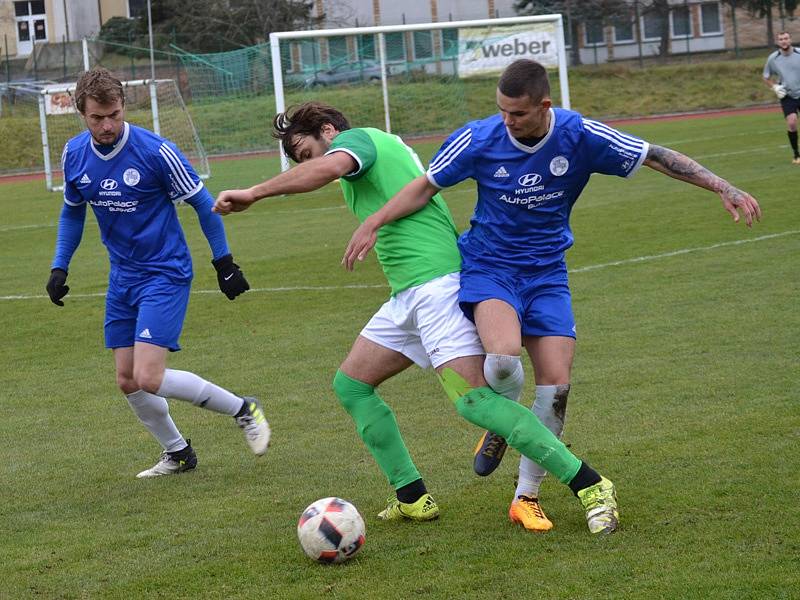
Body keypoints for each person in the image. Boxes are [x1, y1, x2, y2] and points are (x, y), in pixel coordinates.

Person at [343, 59, 761, 533]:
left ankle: (527, 496)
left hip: (546, 274)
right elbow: (424, 187)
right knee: (500, 360)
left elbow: (655, 155)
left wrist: (722, 186)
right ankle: (505, 422)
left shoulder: (579, 134)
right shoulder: (479, 138)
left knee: (556, 388)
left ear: (544, 106)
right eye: (501, 111)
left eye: (517, 114)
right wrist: (374, 221)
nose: (507, 121)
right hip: (490, 267)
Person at [214, 101, 620, 534]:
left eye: (305, 150)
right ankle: (412, 497)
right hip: (409, 293)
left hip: (436, 286)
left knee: (475, 401)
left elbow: (327, 169)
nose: (305, 162)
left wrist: (254, 192)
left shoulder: (357, 142)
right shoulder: (375, 150)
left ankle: (591, 485)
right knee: (351, 385)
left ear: (328, 132)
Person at [46, 67, 271, 478]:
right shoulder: (74, 154)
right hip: (123, 277)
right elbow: (72, 212)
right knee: (126, 380)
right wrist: (59, 266)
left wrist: (224, 262)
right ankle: (178, 452)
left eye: (113, 113)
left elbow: (204, 204)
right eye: (97, 117)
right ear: (81, 112)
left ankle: (244, 408)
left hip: (164, 273)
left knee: (147, 376)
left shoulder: (155, 152)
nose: (108, 124)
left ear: (123, 106)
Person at [763, 31, 800, 164]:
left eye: (786, 38)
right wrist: (775, 87)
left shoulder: (799, 53)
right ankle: (796, 155)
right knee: (791, 122)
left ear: (790, 40)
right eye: (781, 39)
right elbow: (766, 77)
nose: (784, 41)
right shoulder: (773, 58)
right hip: (788, 96)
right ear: (778, 42)